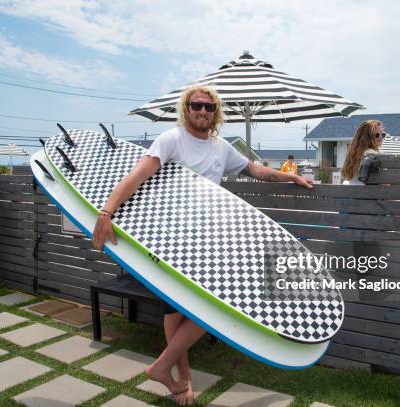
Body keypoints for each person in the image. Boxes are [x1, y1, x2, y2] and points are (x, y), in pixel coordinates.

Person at [92, 84, 312, 405]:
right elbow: (137, 176)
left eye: (209, 108)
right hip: (170, 238)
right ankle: (179, 377)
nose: (202, 112)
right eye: (197, 106)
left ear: (216, 113)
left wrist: (291, 177)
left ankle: (170, 373)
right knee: (181, 310)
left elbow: (255, 170)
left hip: (208, 238)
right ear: (187, 108)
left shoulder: (221, 147)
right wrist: (106, 211)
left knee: (196, 308)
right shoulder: (171, 139)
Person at [341, 120, 385, 185]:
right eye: (377, 135)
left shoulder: (352, 155)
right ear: (367, 137)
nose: (381, 137)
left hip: (351, 193)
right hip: (370, 193)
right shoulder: (374, 155)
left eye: (383, 134)